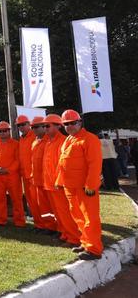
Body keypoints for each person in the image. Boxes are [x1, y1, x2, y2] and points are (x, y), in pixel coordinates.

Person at [56, 109, 103, 260]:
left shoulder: (90, 139)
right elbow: (63, 163)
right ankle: (85, 242)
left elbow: (95, 164)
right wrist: (59, 181)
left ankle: (94, 249)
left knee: (90, 218)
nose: (69, 126)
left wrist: (91, 185)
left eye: (72, 123)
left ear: (80, 122)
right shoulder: (68, 139)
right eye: (66, 124)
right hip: (70, 187)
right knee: (78, 216)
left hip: (84, 188)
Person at [43, 114, 82, 247]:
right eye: (44, 126)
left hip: (59, 184)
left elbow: (64, 165)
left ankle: (74, 238)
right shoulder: (48, 141)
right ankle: (64, 233)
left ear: (58, 126)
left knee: (66, 212)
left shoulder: (63, 141)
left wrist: (59, 181)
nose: (45, 128)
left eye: (47, 125)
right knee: (58, 213)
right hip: (50, 184)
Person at [0, 121, 25, 227]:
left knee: (16, 199)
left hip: (12, 176)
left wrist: (8, 170)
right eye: (0, 131)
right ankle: (0, 219)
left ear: (9, 131)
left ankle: (19, 221)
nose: (2, 133)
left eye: (5, 131)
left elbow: (18, 160)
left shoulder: (16, 144)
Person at [29, 116, 57, 233]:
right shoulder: (35, 141)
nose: (34, 129)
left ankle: (55, 227)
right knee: (43, 206)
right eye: (32, 127)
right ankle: (46, 226)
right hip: (37, 180)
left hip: (47, 180)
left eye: (37, 127)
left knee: (52, 206)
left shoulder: (49, 141)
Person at [17, 115, 39, 224]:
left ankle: (47, 224)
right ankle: (39, 223)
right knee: (31, 201)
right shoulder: (21, 139)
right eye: (19, 125)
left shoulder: (35, 136)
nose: (21, 127)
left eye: (23, 124)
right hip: (25, 175)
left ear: (28, 124)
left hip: (34, 175)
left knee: (39, 201)